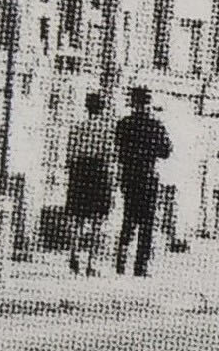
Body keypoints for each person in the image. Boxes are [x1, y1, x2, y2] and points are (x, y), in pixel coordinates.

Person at [112, 84, 175, 276]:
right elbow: (166, 152)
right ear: (148, 102)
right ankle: (140, 266)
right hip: (148, 175)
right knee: (147, 222)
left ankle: (120, 261)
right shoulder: (155, 125)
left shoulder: (123, 124)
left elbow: (117, 148)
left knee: (128, 218)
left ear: (132, 102)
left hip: (128, 176)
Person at [61, 90, 120, 274]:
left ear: (87, 108)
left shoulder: (76, 128)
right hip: (99, 172)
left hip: (79, 172)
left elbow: (69, 156)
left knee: (76, 218)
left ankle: (74, 254)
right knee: (97, 219)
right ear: (103, 108)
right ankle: (91, 263)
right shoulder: (108, 130)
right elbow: (111, 155)